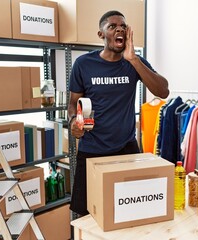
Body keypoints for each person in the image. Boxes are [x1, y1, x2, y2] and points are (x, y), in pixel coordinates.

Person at [68, 10, 169, 216]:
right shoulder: (83, 64)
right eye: (112, 26)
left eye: (123, 26)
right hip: (92, 149)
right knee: (87, 212)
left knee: (130, 208)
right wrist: (73, 123)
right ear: (101, 35)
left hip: (126, 148)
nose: (119, 29)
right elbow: (73, 103)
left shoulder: (134, 63)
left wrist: (133, 60)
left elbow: (163, 91)